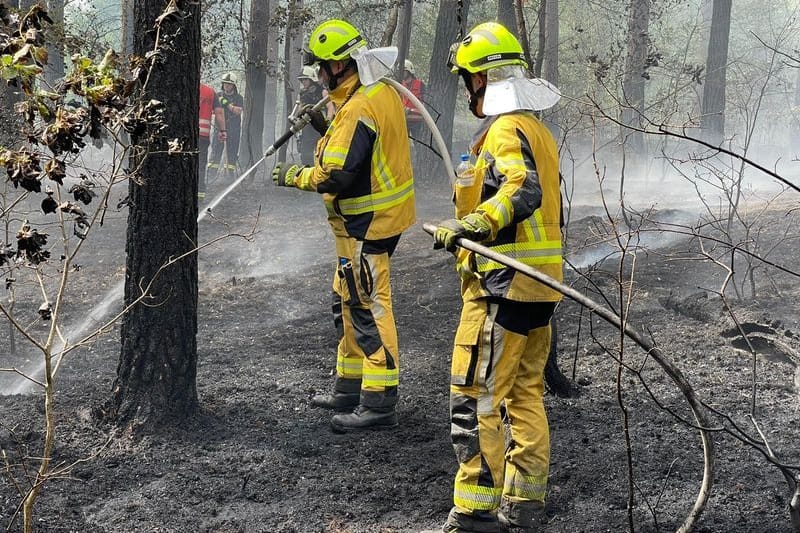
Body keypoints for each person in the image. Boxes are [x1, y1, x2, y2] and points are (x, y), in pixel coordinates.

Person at [431, 22, 563, 533]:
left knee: (474, 397)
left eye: (467, 78)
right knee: (524, 393)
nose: (467, 89)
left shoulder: (506, 130)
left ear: (481, 79)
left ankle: (475, 514)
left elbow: (522, 189)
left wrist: (473, 223)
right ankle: (525, 504)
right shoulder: (537, 130)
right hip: (539, 287)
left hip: (501, 288)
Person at [271, 19, 416, 432]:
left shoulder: (357, 107)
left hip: (368, 225)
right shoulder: (377, 92)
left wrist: (293, 176)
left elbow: (336, 175)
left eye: (320, 66)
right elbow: (358, 144)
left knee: (367, 305)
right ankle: (350, 387)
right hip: (374, 222)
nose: (318, 75)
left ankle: (379, 402)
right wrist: (324, 126)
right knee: (347, 299)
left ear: (337, 66)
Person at [207, 72, 243, 181]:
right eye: (225, 83)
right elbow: (212, 111)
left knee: (232, 152)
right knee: (216, 151)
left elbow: (238, 111)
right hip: (219, 129)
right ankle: (211, 175)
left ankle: (229, 176)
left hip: (233, 129)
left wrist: (226, 103)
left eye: (229, 84)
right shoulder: (217, 95)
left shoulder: (238, 98)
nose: (226, 86)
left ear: (233, 85)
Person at [199, 81, 226, 200]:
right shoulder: (210, 92)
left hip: (183, 138)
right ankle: (199, 195)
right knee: (200, 164)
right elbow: (219, 113)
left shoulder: (183, 88)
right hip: (203, 136)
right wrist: (223, 131)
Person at [295, 65, 326, 165]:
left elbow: (330, 108)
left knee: (321, 153)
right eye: (301, 80)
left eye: (305, 80)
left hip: (320, 126)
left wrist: (329, 121)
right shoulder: (302, 94)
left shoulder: (322, 91)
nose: (303, 82)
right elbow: (300, 109)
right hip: (307, 127)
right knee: (305, 154)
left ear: (312, 79)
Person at [400, 59, 425, 141]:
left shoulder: (420, 85)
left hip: (417, 121)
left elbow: (425, 104)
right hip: (404, 120)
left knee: (419, 143)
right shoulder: (400, 85)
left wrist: (410, 110)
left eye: (404, 71)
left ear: (409, 71)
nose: (402, 73)